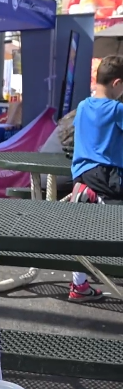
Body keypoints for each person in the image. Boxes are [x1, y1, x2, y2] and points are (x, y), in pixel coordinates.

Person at [68, 55, 123, 301]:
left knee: (82, 232)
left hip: (82, 177)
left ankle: (79, 286)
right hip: (107, 177)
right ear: (117, 83)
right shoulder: (116, 109)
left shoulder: (82, 106)